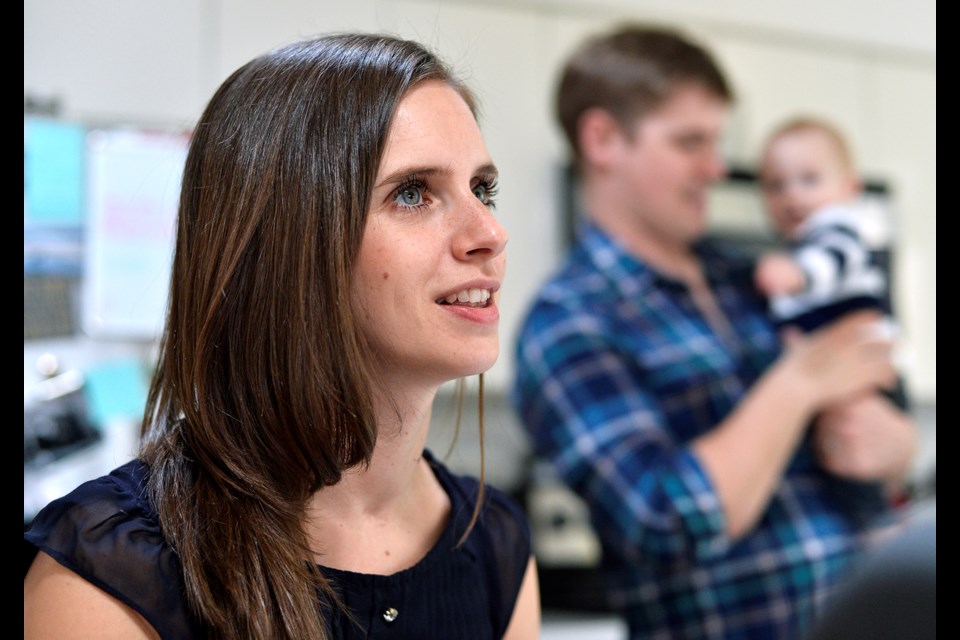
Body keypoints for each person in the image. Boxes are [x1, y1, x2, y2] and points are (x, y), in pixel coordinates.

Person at [24, 33, 540, 640]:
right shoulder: (111, 576)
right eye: (411, 193)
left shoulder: (494, 542)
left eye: (483, 190)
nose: (489, 232)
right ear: (285, 246)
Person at [512, 23, 917, 639]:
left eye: (717, 140)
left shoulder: (753, 276)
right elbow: (661, 522)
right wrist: (801, 381)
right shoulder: (567, 322)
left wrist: (897, 451)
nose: (717, 166)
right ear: (603, 139)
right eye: (689, 142)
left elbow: (878, 410)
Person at [756, 116, 907, 527]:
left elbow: (832, 260)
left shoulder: (838, 230)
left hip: (866, 381)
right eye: (777, 185)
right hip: (841, 379)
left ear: (850, 189)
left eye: (809, 180)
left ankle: (873, 526)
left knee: (856, 465)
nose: (793, 196)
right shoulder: (801, 245)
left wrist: (796, 276)